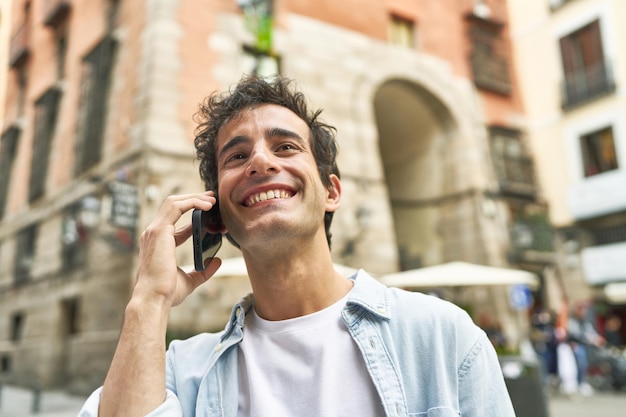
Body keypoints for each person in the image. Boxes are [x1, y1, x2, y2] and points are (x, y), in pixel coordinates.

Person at [78, 76, 515, 416]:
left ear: (331, 192)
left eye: (285, 146)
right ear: (216, 215)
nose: (261, 162)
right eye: (235, 156)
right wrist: (148, 301)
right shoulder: (178, 371)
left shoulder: (441, 338)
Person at [567, 301, 606, 395]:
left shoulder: (585, 322)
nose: (583, 312)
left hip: (586, 346)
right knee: (580, 364)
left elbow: (591, 332)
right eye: (581, 310)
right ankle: (577, 383)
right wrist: (589, 339)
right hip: (575, 346)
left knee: (586, 363)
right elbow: (575, 334)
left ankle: (583, 382)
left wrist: (597, 339)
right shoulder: (572, 320)